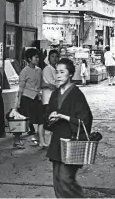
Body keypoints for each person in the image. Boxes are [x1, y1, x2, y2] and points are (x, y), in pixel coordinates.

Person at [45, 58, 93, 198]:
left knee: (66, 179)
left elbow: (86, 120)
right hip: (57, 141)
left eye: (62, 72)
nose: (58, 75)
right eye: (56, 72)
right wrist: (51, 117)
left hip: (71, 141)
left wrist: (64, 117)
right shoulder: (55, 93)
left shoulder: (77, 94)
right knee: (57, 180)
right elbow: (48, 114)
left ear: (70, 74)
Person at [16, 48, 48, 148]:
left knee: (42, 120)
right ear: (29, 59)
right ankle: (16, 140)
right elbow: (21, 87)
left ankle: (41, 141)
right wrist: (18, 101)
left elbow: (41, 83)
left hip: (37, 97)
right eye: (36, 57)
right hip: (26, 97)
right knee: (22, 120)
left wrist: (50, 85)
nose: (37, 59)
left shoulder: (39, 70)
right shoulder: (24, 71)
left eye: (38, 57)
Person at [42, 49, 59, 115]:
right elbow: (52, 82)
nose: (54, 58)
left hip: (54, 98)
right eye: (52, 56)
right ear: (49, 58)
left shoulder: (56, 69)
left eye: (56, 57)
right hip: (48, 99)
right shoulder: (47, 69)